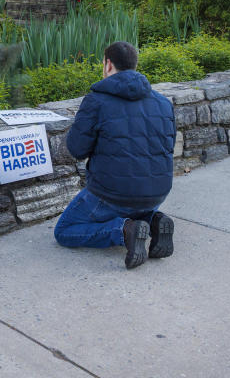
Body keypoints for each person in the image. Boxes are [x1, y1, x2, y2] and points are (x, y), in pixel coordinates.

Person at [54, 41, 177, 269]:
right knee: (133, 202)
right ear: (134, 64)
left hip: (111, 195)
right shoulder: (162, 102)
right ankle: (154, 222)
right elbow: (168, 146)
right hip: (157, 192)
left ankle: (124, 230)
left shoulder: (96, 101)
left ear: (108, 65)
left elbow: (77, 150)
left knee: (64, 231)